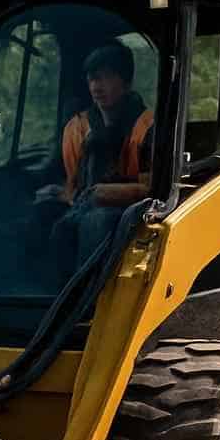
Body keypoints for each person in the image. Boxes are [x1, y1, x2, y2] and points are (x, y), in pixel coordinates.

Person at [36, 41, 154, 279]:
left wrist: (106, 193)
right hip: (83, 205)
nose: (96, 87)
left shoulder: (146, 127)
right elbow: (77, 187)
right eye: (92, 79)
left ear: (126, 82)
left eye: (106, 78)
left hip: (132, 212)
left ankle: (86, 302)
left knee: (96, 222)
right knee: (40, 217)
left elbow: (152, 189)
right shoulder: (76, 128)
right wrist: (59, 193)